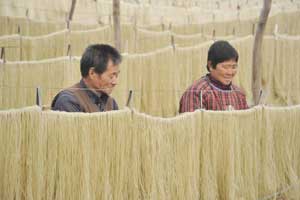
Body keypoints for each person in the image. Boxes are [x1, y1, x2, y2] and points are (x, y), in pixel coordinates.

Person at [179, 40, 248, 112]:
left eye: (233, 67)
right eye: (225, 67)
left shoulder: (239, 94)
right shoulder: (197, 92)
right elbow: (191, 122)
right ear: (211, 66)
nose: (230, 72)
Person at [51, 44, 121, 112]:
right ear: (92, 73)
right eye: (111, 76)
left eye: (117, 76)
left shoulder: (111, 103)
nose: (115, 82)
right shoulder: (68, 101)